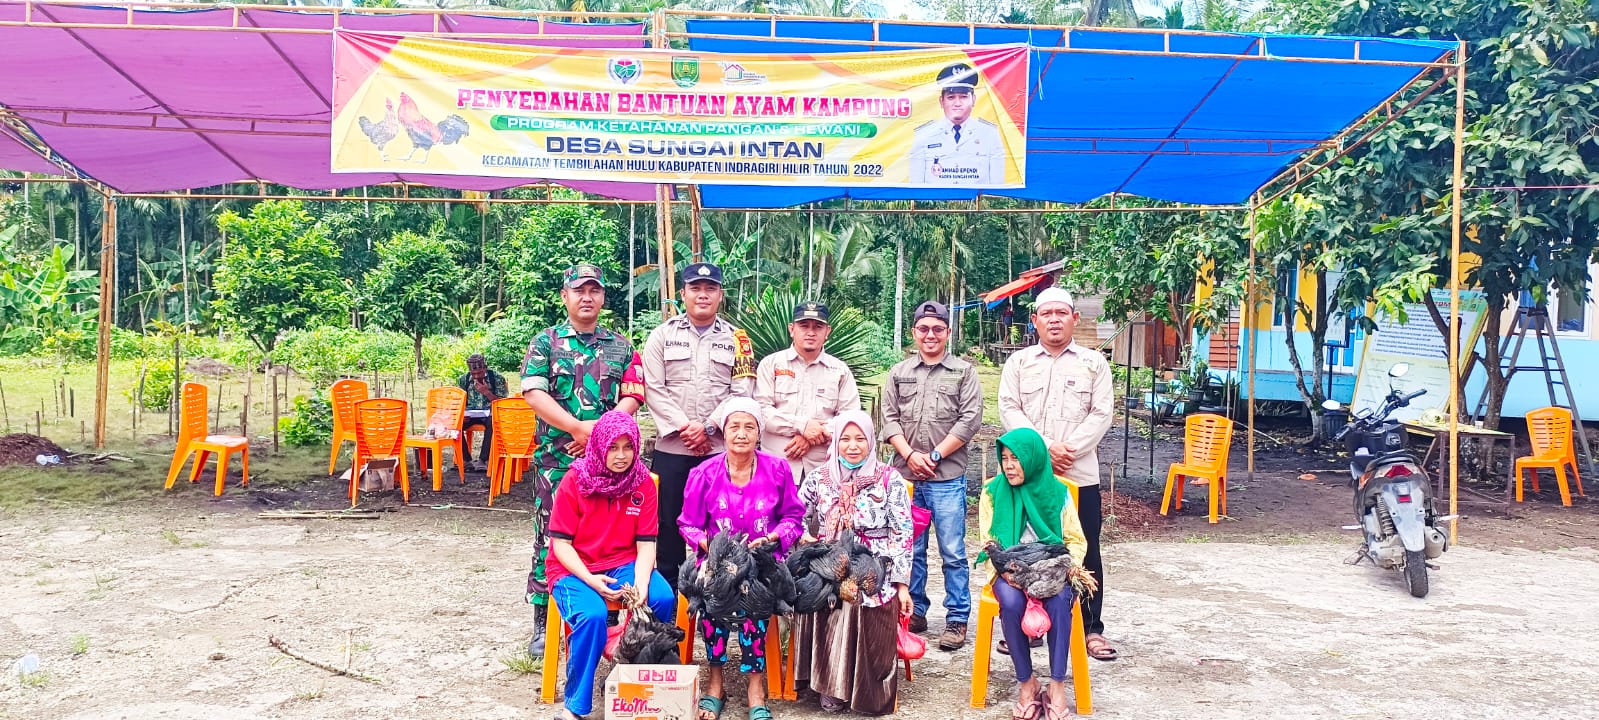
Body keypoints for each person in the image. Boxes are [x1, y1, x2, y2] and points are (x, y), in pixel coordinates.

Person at [521, 262, 645, 655]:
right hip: (558, 462)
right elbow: (532, 392)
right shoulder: (546, 342)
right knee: (550, 538)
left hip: (610, 467)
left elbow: (633, 394)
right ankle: (544, 621)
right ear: (566, 296)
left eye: (594, 290)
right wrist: (576, 428)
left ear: (603, 297)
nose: (587, 297)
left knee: (609, 539)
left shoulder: (622, 346)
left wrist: (596, 433)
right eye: (579, 290)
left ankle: (607, 616)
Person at [998, 287, 1117, 662]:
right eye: (1045, 313)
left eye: (1061, 313)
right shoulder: (1019, 363)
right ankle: (1032, 626)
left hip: (1079, 474)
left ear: (1074, 319)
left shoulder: (1093, 364)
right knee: (1028, 549)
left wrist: (1070, 450)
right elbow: (1009, 409)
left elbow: (1102, 414)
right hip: (1029, 478)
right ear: (1034, 320)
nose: (1053, 319)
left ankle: (1090, 629)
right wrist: (1047, 449)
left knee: (1085, 550)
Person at [678, 397, 804, 720]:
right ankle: (715, 681)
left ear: (759, 433)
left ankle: (755, 686)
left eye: (749, 427)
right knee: (714, 593)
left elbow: (793, 518)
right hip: (717, 561)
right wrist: (710, 545)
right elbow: (687, 524)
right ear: (723, 432)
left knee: (754, 597)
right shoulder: (704, 473)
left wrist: (774, 538)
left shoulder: (777, 469)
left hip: (761, 560)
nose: (741, 434)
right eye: (734, 426)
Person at [548, 410, 676, 720]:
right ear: (598, 446)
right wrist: (591, 579)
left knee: (661, 597)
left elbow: (647, 543)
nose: (621, 456)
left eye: (628, 447)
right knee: (592, 615)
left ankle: (629, 671)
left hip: (623, 563)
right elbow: (561, 545)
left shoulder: (642, 482)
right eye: (612, 447)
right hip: (573, 569)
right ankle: (575, 705)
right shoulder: (575, 480)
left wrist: (642, 582)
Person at [644, 262, 757, 591]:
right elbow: (654, 388)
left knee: (720, 525)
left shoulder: (739, 340)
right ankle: (667, 604)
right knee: (667, 527)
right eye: (696, 288)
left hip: (717, 452)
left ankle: (718, 599)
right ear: (683, 294)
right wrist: (685, 427)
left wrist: (707, 427)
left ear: (721, 295)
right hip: (672, 451)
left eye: (710, 288)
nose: (703, 294)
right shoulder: (662, 336)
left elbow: (742, 392)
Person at [793, 410, 914, 716]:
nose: (852, 446)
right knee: (821, 590)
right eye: (845, 439)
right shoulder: (820, 477)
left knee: (859, 592)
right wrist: (806, 540)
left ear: (871, 441)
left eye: (860, 438)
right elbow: (795, 514)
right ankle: (829, 686)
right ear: (835, 442)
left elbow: (902, 532)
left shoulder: (890, 479)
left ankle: (860, 688)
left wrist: (901, 585)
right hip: (829, 558)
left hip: (875, 561)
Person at [880, 300, 983, 651]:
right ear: (914, 333)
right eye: (923, 328)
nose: (930, 335)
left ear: (948, 333)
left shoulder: (963, 372)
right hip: (905, 478)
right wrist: (910, 455)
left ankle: (956, 618)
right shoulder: (898, 373)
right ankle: (917, 611)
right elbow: (889, 419)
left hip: (947, 476)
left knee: (952, 550)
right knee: (911, 549)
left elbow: (969, 420)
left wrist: (935, 455)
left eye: (938, 329)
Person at [978, 427, 1089, 720]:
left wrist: (1066, 569)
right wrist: (1012, 573)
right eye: (1005, 458)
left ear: (1034, 459)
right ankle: (1027, 683)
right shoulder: (991, 493)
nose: (1010, 465)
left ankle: (1056, 685)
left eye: (1017, 458)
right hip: (1010, 572)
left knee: (1059, 602)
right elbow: (989, 543)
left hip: (1052, 570)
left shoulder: (1058, 493)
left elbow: (1076, 540)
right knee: (1012, 604)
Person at [754, 301, 861, 481]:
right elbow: (761, 411)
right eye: (804, 325)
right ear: (791, 329)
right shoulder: (770, 364)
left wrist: (811, 436)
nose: (811, 332)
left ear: (827, 332)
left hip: (823, 472)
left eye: (818, 327)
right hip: (776, 468)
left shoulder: (839, 371)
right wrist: (802, 426)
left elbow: (850, 418)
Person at [909, 62, 1006, 185]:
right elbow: (916, 184)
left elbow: (997, 183)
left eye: (964, 97)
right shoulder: (924, 134)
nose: (957, 103)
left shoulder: (989, 133)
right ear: (941, 101)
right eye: (951, 97)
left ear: (973, 100)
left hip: (977, 201)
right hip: (936, 203)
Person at [456, 353, 507, 471]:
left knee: (493, 423)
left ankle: (483, 460)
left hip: (490, 413)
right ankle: (466, 460)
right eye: (474, 374)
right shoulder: (464, 380)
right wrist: (462, 414)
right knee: (455, 424)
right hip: (470, 414)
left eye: (480, 373)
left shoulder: (497, 378)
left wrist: (487, 392)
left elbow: (503, 404)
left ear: (485, 368)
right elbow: (459, 402)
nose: (477, 376)